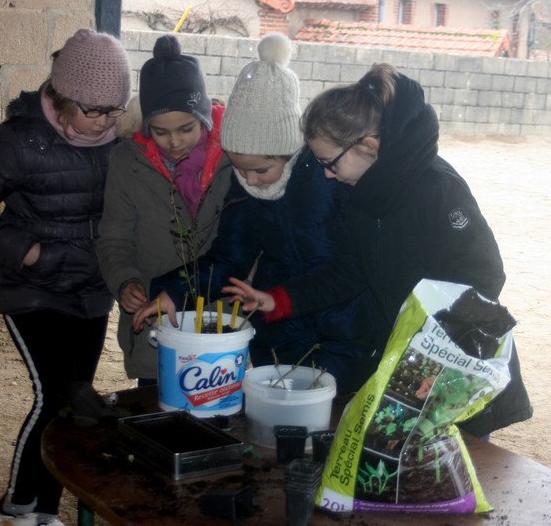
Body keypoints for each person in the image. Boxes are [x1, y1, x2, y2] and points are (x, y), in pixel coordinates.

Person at [221, 62, 532, 437]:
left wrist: (438, 357)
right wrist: (280, 300)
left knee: (461, 473)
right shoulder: (363, 195)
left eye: (329, 163)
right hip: (405, 363)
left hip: (458, 366)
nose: (327, 175)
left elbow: (483, 276)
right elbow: (351, 271)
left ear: (368, 145)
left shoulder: (437, 188)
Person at [0, 28, 131, 526]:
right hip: (32, 286)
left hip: (91, 289)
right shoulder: (20, 141)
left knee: (79, 398)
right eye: (94, 112)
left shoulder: (121, 142)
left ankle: (43, 512)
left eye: (115, 111)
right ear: (61, 99)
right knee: (54, 394)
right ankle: (15, 507)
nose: (105, 123)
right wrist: (29, 253)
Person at [133, 33, 384, 393]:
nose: (250, 180)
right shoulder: (246, 187)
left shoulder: (332, 181)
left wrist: (284, 299)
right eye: (238, 169)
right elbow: (229, 255)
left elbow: (353, 269)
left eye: (260, 170)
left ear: (287, 150)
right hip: (278, 339)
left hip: (346, 336)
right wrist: (176, 291)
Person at [96, 34, 232, 385]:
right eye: (160, 131)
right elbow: (114, 239)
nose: (174, 142)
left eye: (186, 129)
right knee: (156, 415)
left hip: (223, 322)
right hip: (156, 324)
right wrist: (125, 280)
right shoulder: (128, 163)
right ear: (146, 126)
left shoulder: (235, 156)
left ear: (203, 116)